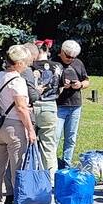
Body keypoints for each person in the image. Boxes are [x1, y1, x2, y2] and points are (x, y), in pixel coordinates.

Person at [0, 44, 38, 204]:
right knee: (18, 168)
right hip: (14, 127)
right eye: (26, 62)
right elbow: (21, 108)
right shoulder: (17, 80)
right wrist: (30, 130)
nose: (27, 65)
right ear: (19, 63)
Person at [54, 40, 90, 168]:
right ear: (62, 52)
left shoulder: (78, 63)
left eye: (73, 57)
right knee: (55, 138)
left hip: (75, 105)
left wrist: (79, 85)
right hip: (59, 105)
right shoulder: (54, 63)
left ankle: (66, 164)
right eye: (68, 56)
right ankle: (52, 165)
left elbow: (86, 81)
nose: (70, 59)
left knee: (71, 138)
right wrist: (62, 85)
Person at [29, 42, 63, 176]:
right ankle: (50, 180)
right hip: (49, 106)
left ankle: (30, 178)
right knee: (49, 146)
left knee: (28, 145)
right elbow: (60, 88)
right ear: (47, 50)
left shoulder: (29, 67)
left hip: (31, 106)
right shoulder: (58, 66)